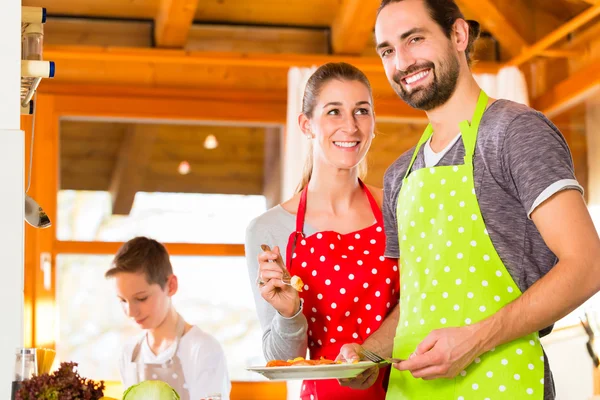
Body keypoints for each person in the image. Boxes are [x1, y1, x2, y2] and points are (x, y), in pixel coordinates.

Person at [337, 0, 600, 399]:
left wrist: (474, 340)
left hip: (505, 385)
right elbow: (419, 301)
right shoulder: (399, 176)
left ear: (458, 35)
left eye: (415, 39)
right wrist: (369, 356)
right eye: (388, 50)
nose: (402, 61)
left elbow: (588, 265)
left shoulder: (514, 133)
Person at [245, 62, 401, 399]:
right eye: (334, 112)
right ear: (307, 125)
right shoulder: (269, 229)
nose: (351, 126)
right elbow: (281, 361)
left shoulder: (399, 209)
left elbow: (424, 306)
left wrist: (372, 353)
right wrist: (289, 313)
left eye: (362, 111)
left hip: (408, 390)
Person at [105, 236, 231, 400]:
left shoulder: (203, 349)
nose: (130, 312)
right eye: (123, 300)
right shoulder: (128, 353)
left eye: (141, 298)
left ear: (171, 286)